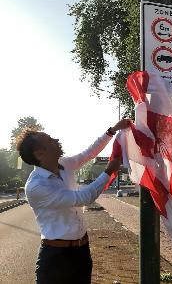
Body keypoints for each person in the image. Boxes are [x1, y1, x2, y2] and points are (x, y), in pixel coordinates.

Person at [16, 118, 132, 284]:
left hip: (82, 251)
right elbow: (83, 198)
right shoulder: (36, 186)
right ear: (40, 154)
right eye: (49, 140)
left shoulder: (63, 163)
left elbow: (88, 154)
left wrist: (111, 131)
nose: (56, 140)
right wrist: (108, 171)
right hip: (55, 257)